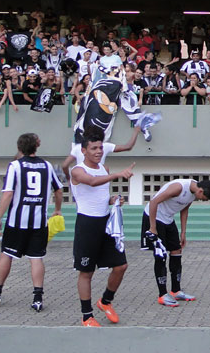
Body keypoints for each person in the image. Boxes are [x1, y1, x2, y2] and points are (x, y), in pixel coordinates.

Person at [0, 133, 63, 311]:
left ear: (19, 148)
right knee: (36, 258)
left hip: (17, 222)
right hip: (39, 222)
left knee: (7, 254)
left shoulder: (15, 166)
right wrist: (57, 209)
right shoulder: (47, 166)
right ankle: (38, 298)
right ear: (37, 146)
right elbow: (59, 190)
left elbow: (8, 193)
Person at [70, 132, 135, 326]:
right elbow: (91, 182)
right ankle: (87, 316)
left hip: (106, 224)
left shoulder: (104, 169)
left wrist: (114, 200)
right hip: (87, 225)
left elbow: (102, 194)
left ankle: (105, 301)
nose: (99, 151)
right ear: (84, 151)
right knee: (86, 272)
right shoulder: (77, 170)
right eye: (94, 148)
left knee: (121, 266)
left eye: (100, 148)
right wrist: (117, 175)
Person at [141, 178, 210, 307]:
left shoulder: (193, 194)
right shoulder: (178, 187)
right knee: (161, 255)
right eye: (203, 198)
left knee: (177, 251)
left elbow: (184, 209)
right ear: (200, 191)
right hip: (154, 218)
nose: (201, 200)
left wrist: (183, 232)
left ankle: (176, 291)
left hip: (168, 219)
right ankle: (162, 295)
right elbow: (154, 202)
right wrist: (152, 228)